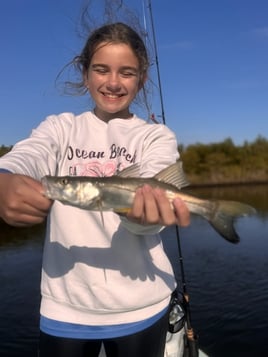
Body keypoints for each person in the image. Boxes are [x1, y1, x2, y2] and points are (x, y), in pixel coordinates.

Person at [0, 22, 190, 357]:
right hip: (64, 307)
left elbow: (150, 209)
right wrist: (4, 178)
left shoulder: (155, 137)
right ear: (85, 73)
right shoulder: (59, 128)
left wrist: (143, 216)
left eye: (127, 73)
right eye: (101, 70)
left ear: (142, 78)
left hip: (144, 304)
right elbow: (29, 155)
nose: (113, 82)